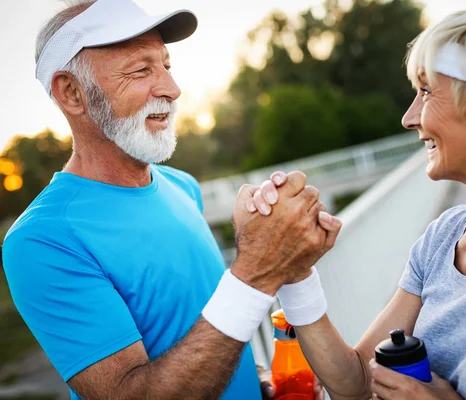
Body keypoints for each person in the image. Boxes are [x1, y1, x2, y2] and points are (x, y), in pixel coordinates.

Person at [249, 2, 466, 399]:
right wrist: (296, 273)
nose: (409, 117)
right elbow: (360, 383)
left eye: (426, 92)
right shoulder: (445, 237)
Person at [1, 0, 340, 399]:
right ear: (72, 93)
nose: (172, 89)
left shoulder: (182, 186)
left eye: (166, 65)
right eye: (142, 69)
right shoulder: (42, 239)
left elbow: (198, 328)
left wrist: (256, 379)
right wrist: (256, 272)